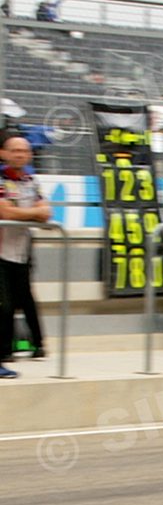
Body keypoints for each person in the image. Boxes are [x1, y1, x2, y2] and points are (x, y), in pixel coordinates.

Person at [0, 133, 51, 370]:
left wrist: (26, 212)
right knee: (5, 302)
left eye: (24, 151)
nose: (20, 154)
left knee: (27, 298)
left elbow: (46, 212)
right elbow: (5, 213)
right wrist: (31, 213)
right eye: (15, 150)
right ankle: (4, 351)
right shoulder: (1, 179)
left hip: (22, 250)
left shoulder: (32, 180)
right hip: (1, 251)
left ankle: (39, 344)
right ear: (4, 153)